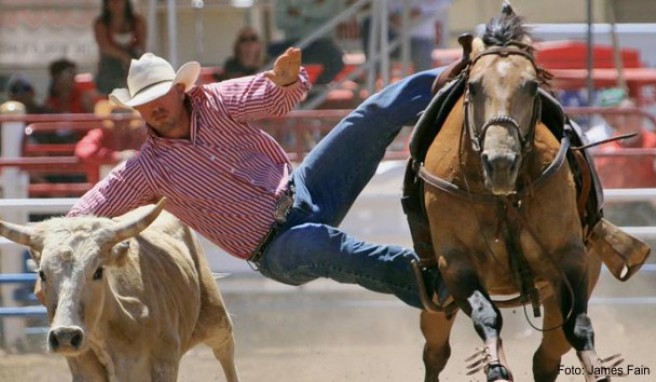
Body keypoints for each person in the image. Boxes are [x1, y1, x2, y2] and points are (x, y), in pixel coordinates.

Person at [67, 49, 449, 310]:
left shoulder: (215, 101)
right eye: (144, 103)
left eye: (159, 96)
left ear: (180, 90)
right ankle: (434, 282)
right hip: (276, 248)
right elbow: (91, 208)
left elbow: (273, 98)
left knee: (369, 115)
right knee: (321, 245)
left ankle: (460, 77)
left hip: (304, 189)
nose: (154, 108)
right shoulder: (147, 169)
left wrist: (283, 82)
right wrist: (56, 238)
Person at [362, 0, 452, 72]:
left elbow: (442, 3)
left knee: (423, 50)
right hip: (394, 39)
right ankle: (375, 73)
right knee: (369, 22)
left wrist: (413, 13)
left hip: (419, 41)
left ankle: (424, 86)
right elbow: (378, 7)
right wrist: (392, 17)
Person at [271, 0, 345, 85]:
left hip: (321, 42)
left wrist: (300, 13)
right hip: (293, 42)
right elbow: (280, 22)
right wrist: (312, 17)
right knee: (268, 55)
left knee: (336, 59)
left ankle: (315, 92)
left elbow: (327, 13)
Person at [594, 95, 656, 189]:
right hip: (616, 200)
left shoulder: (653, 142)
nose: (626, 118)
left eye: (630, 113)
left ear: (640, 117)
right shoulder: (606, 147)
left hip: (647, 200)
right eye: (622, 114)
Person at [75, 99, 147, 179]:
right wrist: (115, 157)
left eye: (125, 113)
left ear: (131, 118)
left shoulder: (137, 134)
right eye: (116, 113)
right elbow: (84, 151)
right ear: (110, 117)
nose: (120, 118)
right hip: (103, 183)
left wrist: (132, 156)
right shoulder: (101, 133)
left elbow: (150, 153)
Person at [93, 0, 147, 95]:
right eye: (112, 1)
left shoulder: (137, 21)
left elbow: (142, 45)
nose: (116, 4)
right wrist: (123, 57)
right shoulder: (101, 23)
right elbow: (105, 47)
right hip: (110, 66)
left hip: (133, 62)